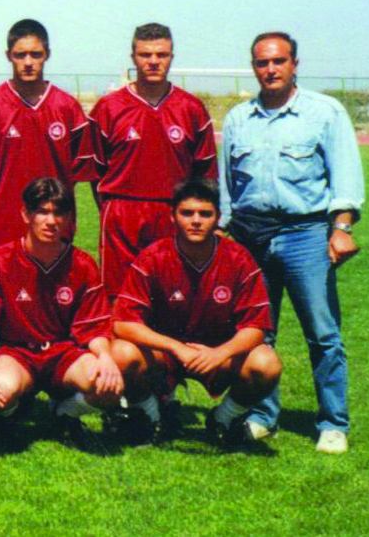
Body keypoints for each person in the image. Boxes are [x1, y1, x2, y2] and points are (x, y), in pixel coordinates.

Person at [218, 31, 364, 454]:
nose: (271, 69)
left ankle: (333, 422)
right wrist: (223, 231)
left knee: (322, 333)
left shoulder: (324, 112)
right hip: (251, 236)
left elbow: (346, 174)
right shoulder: (238, 119)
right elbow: (227, 186)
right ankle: (263, 415)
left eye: (279, 61)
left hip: (306, 234)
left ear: (295, 64)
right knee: (257, 332)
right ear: (253, 67)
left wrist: (342, 227)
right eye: (262, 62)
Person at [109, 178, 281, 446]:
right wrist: (176, 347)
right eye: (187, 213)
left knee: (267, 363)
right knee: (121, 352)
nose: (196, 221)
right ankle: (151, 416)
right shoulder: (153, 257)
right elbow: (122, 323)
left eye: (205, 214)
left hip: (218, 354)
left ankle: (224, 419)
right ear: (172, 216)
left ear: (218, 217)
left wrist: (219, 353)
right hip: (166, 354)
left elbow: (256, 327)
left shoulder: (239, 259)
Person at [0, 177, 120, 449]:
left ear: (69, 218)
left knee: (108, 387)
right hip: (17, 354)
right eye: (42, 211)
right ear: (26, 214)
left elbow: (94, 328)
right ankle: (9, 412)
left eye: (59, 213)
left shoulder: (83, 265)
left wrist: (106, 357)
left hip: (63, 354)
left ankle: (65, 412)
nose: (51, 221)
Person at [88, 23, 217, 298]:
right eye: (145, 55)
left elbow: (205, 175)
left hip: (174, 212)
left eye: (162, 54)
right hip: (122, 212)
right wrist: (111, 208)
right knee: (118, 297)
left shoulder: (191, 108)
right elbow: (95, 171)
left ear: (172, 57)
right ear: (133, 57)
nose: (154, 61)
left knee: (174, 294)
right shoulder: (108, 108)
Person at [0, 19, 97, 263]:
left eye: (35, 54)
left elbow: (75, 173)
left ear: (47, 54)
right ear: (8, 56)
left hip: (53, 224)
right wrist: (1, 200)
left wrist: (52, 205)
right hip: (1, 224)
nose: (27, 62)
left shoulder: (67, 108)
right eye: (20, 55)